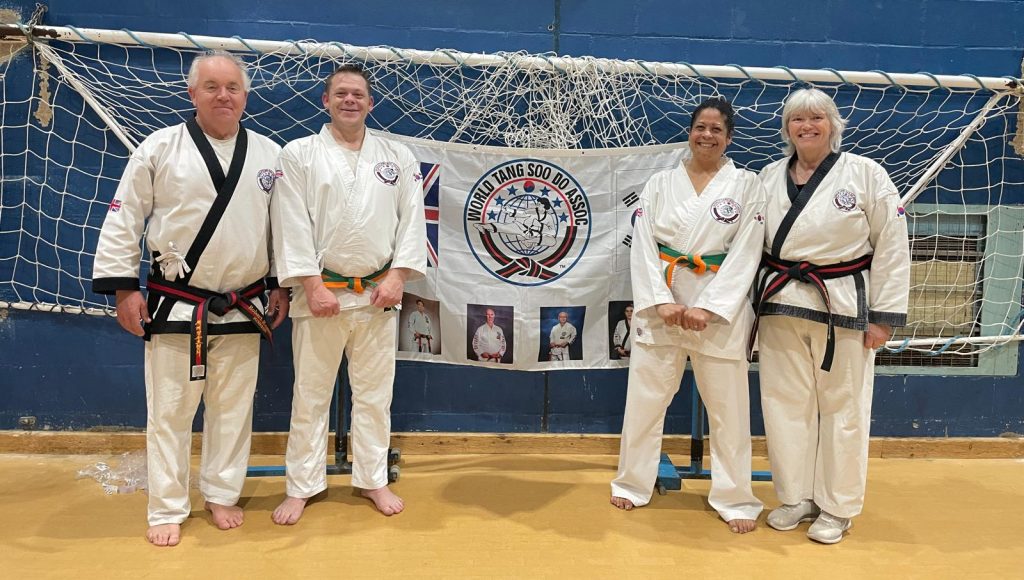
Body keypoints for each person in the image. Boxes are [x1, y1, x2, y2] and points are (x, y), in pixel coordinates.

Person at [91, 52, 289, 547]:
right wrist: (123, 287)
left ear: (245, 96)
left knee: (233, 409)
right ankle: (167, 506)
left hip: (245, 303)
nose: (224, 96)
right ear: (192, 93)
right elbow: (123, 218)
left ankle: (222, 493)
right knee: (172, 413)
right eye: (212, 87)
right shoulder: (159, 148)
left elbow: (286, 229)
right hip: (178, 305)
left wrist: (283, 283)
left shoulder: (270, 154)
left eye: (233, 88)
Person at [269, 65, 426, 524]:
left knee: (375, 396)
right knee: (311, 396)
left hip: (379, 296)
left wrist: (398, 278)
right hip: (320, 298)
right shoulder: (298, 154)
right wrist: (312, 286)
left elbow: (412, 222)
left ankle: (373, 478)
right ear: (326, 100)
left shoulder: (398, 156)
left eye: (358, 94)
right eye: (341, 93)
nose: (350, 101)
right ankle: (301, 486)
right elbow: (290, 222)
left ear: (370, 103)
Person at [753, 88, 909, 544]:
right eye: (797, 119)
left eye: (817, 118)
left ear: (833, 124)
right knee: (784, 405)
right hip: (781, 304)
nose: (807, 126)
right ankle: (796, 496)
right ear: (787, 128)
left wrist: (884, 317)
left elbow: (893, 245)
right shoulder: (767, 177)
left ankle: (838, 507)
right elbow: (748, 243)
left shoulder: (865, 174)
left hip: (842, 306)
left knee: (843, 407)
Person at [610, 97, 766, 534]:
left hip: (718, 310)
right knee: (645, 400)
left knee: (729, 409)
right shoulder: (661, 183)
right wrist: (661, 300)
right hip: (664, 305)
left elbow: (748, 251)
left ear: (729, 137)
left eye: (717, 129)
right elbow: (642, 245)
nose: (707, 135)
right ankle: (632, 482)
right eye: (700, 127)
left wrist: (709, 306)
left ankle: (734, 497)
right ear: (690, 132)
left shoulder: (747, 185)